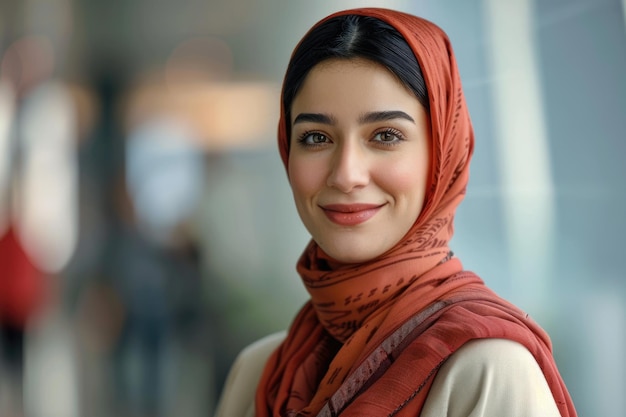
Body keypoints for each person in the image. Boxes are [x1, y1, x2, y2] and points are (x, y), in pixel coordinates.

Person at [214, 7, 577, 417]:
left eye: (386, 135)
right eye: (316, 137)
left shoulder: (488, 371)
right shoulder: (261, 372)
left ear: (441, 156)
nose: (347, 174)